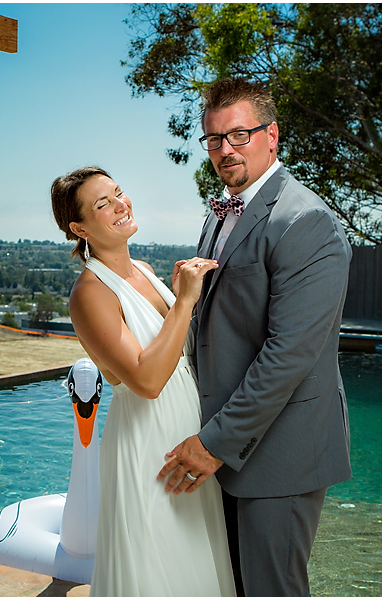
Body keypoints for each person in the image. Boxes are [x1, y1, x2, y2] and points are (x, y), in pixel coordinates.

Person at [156, 78, 353, 596]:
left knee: (272, 589)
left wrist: (213, 442)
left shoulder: (304, 220)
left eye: (239, 135)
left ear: (273, 135)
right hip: (228, 443)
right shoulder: (223, 208)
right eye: (215, 139)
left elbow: (288, 355)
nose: (226, 150)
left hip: (280, 451)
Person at [51, 167, 236, 596]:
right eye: (102, 204)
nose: (120, 205)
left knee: (195, 567)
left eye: (118, 193)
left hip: (187, 433)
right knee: (159, 569)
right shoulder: (91, 292)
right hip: (149, 446)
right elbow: (147, 380)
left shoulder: (145, 270)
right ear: (79, 228)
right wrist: (186, 299)